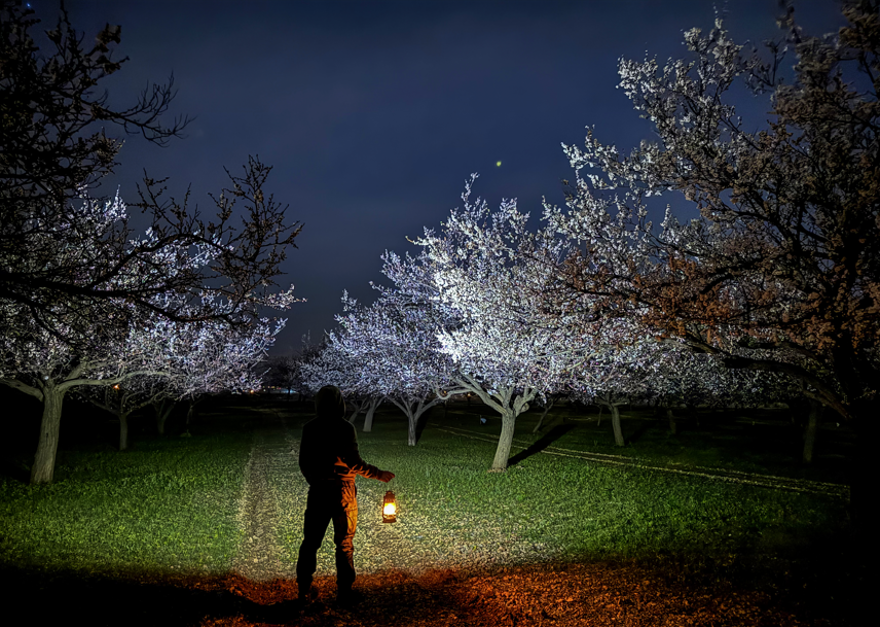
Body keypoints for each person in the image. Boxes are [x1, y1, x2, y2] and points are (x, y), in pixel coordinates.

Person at [295, 385, 395, 605]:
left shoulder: (310, 428)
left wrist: (315, 480)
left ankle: (303, 589)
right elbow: (353, 462)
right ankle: (344, 592)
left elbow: (303, 462)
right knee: (344, 542)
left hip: (319, 491)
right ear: (340, 403)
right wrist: (379, 474)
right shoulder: (345, 427)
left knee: (311, 541)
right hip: (343, 491)